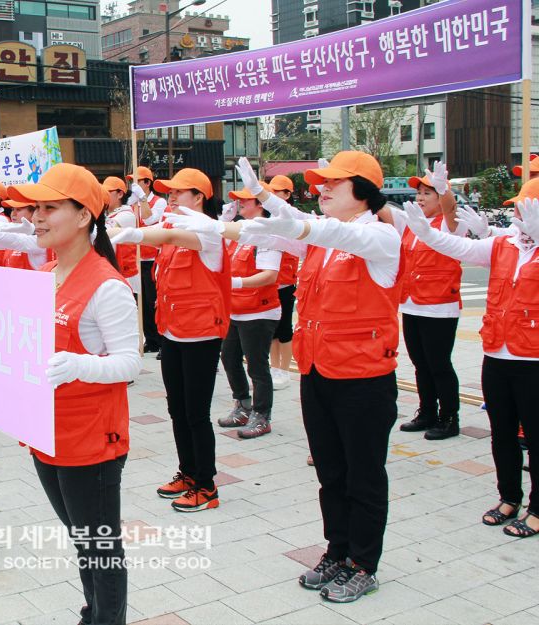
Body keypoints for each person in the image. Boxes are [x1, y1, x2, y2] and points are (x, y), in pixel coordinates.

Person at [168, 153, 402, 602]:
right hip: (319, 371)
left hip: (364, 379)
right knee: (331, 473)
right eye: (322, 183)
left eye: (335, 182)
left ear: (365, 188)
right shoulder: (324, 240)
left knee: (363, 476)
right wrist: (245, 211)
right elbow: (290, 229)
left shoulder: (380, 237)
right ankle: (337, 550)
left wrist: (273, 209)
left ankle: (364, 563)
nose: (323, 189)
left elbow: (318, 228)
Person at [8, 163, 140, 625]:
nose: (36, 218)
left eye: (49, 208)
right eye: (35, 208)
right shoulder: (45, 272)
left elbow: (130, 362)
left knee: (100, 545)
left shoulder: (107, 285)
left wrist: (80, 364)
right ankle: (94, 614)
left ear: (84, 216)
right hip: (47, 431)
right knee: (81, 536)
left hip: (90, 440)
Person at [401, 179, 539, 539]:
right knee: (502, 432)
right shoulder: (504, 244)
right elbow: (456, 245)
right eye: (517, 207)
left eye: (525, 207)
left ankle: (538, 509)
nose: (518, 213)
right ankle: (509, 497)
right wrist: (426, 234)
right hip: (497, 352)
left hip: (533, 358)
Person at [110, 168, 230, 513]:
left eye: (180, 192)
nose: (172, 198)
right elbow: (159, 238)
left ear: (200, 198)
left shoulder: (208, 236)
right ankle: (188, 473)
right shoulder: (173, 231)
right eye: (170, 192)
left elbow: (167, 237)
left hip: (202, 336)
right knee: (177, 409)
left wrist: (130, 231)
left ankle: (206, 486)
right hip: (174, 333)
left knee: (196, 413)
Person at [387, 163, 464, 440]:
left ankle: (449, 418)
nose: (420, 197)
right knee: (420, 362)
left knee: (439, 363)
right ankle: (427, 411)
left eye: (427, 193)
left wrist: (444, 190)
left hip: (439, 304)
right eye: (418, 192)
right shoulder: (413, 223)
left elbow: (451, 209)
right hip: (411, 303)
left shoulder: (448, 223)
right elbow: (383, 212)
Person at [216, 183, 282, 440]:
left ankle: (261, 415)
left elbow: (270, 275)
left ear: (261, 204)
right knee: (229, 357)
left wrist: (237, 283)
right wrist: (223, 222)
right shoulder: (240, 233)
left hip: (258, 311)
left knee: (257, 365)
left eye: (245, 200)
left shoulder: (268, 234)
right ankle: (243, 404)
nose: (239, 204)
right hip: (235, 309)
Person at [125, 166, 168, 353]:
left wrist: (143, 199)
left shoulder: (159, 202)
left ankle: (160, 339)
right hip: (135, 258)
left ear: (147, 183)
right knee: (140, 301)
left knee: (152, 300)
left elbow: (151, 221)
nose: (133, 185)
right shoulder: (132, 204)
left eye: (137, 181)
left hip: (152, 258)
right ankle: (150, 339)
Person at [267, 175, 299, 391]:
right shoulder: (269, 217)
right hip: (268, 281)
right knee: (271, 329)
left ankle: (285, 369)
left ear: (287, 195)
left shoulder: (294, 220)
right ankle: (274, 366)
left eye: (279, 192)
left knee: (285, 327)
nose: (274, 195)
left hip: (286, 281)